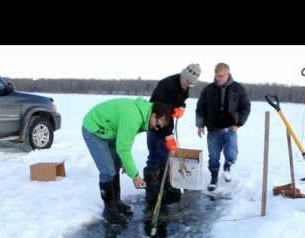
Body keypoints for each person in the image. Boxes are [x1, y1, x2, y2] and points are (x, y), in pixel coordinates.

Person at [82, 97, 173, 224]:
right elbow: (123, 148)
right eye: (157, 124)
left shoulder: (143, 115)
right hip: (94, 129)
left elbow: (124, 141)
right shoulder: (134, 116)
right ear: (153, 114)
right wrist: (135, 176)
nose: (157, 128)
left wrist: (124, 162)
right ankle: (109, 210)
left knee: (116, 165)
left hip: (110, 130)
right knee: (108, 170)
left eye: (159, 127)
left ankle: (116, 202)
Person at [144, 63, 201, 206]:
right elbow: (160, 114)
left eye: (190, 84)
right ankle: (152, 191)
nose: (187, 85)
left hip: (166, 122)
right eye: (186, 81)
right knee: (154, 156)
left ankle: (165, 187)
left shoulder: (185, 86)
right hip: (155, 123)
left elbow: (181, 100)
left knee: (164, 156)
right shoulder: (166, 86)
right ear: (183, 75)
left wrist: (181, 106)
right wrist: (168, 135)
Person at [195, 63, 251, 191]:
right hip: (214, 129)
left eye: (221, 76)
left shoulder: (238, 89)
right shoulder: (208, 89)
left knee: (231, 154)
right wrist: (200, 125)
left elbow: (246, 108)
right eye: (216, 76)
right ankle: (214, 178)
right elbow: (200, 108)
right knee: (213, 157)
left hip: (230, 129)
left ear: (228, 74)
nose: (218, 78)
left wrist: (238, 123)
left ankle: (227, 165)